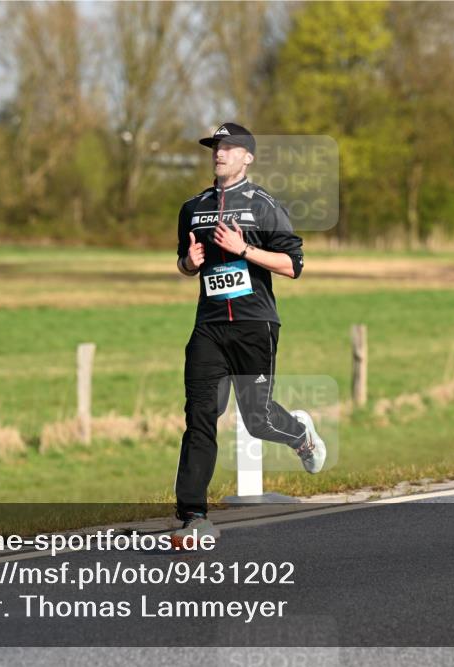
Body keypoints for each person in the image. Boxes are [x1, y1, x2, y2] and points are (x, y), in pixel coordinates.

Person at [171, 123, 326, 549]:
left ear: (247, 157)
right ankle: (193, 516)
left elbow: (292, 266)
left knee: (256, 419)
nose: (218, 153)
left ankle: (299, 433)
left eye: (228, 147)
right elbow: (184, 264)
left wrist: (244, 250)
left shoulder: (265, 206)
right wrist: (189, 261)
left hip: (255, 325)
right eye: (215, 147)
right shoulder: (192, 207)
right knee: (200, 416)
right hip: (209, 326)